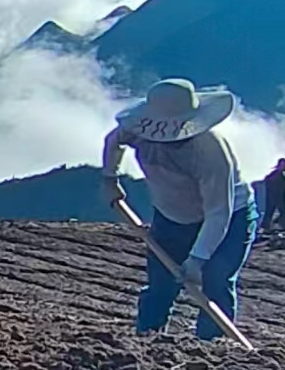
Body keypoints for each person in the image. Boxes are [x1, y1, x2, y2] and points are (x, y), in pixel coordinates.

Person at [100, 78, 254, 340]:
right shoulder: (138, 129)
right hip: (170, 217)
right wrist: (110, 179)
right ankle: (148, 339)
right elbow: (113, 141)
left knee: (216, 280)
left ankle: (211, 347)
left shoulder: (209, 151)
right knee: (160, 284)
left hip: (229, 219)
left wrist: (197, 259)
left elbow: (219, 212)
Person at [258, 158, 285, 240]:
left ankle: (266, 228)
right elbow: (281, 188)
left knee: (270, 213)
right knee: (281, 212)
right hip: (278, 197)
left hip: (273, 197)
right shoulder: (278, 176)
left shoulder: (272, 176)